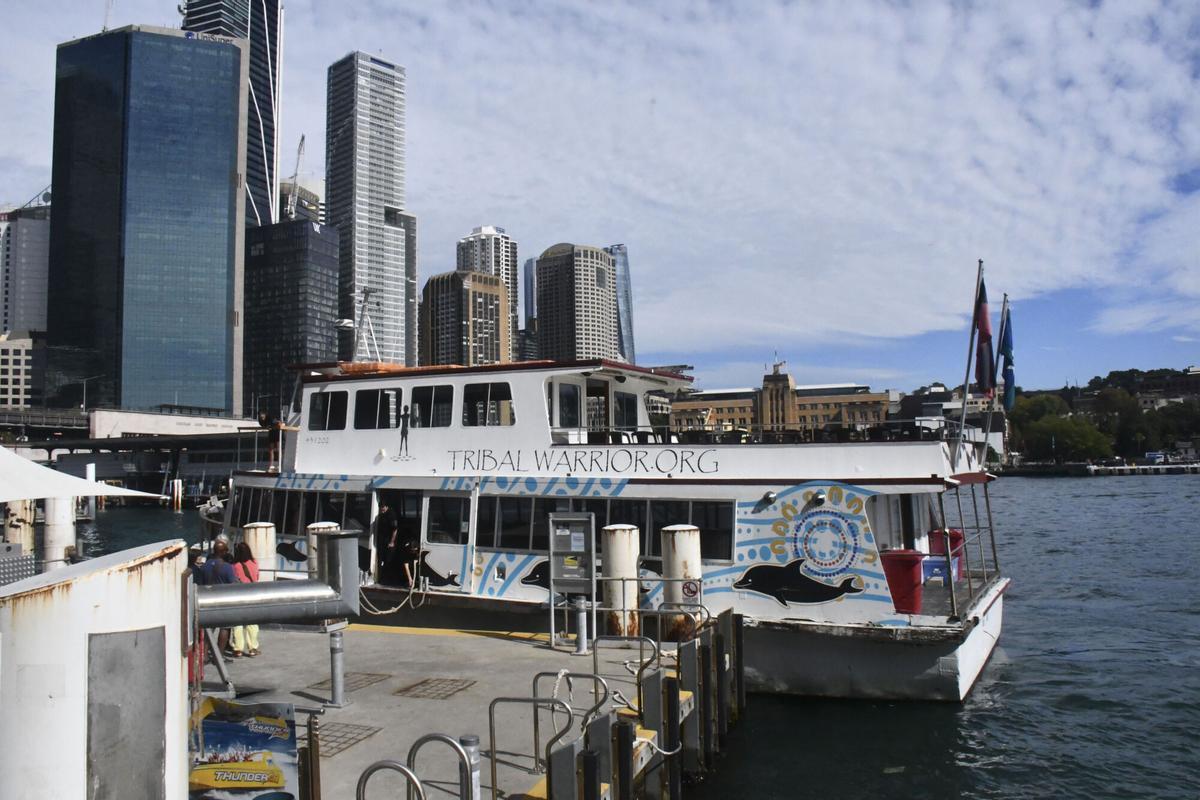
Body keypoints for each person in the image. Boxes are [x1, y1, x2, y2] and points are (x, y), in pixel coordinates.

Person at [230, 542, 261, 658]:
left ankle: (238, 649)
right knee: (252, 623)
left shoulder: (235, 566)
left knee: (237, 623)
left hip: (238, 595)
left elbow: (234, 580)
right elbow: (257, 577)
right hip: (252, 594)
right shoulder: (254, 562)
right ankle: (253, 648)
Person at [375, 501, 399, 584]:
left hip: (389, 541)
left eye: (383, 507)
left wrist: (392, 542)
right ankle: (381, 578)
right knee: (381, 558)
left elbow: (395, 529)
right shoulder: (382, 514)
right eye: (380, 507)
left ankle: (388, 580)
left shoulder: (391, 515)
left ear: (386, 506)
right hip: (382, 540)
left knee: (388, 560)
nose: (382, 509)